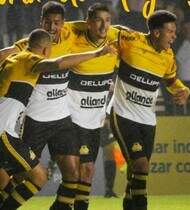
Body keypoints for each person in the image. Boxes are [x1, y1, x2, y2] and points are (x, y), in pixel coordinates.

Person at [0, 28, 115, 210]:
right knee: (39, 176)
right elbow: (58, 63)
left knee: (0, 180)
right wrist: (98, 52)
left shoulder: (12, 59)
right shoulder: (29, 59)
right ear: (46, 50)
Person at [109, 10, 190, 210]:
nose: (174, 36)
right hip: (123, 114)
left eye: (174, 31)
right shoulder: (130, 39)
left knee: (137, 173)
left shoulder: (167, 56)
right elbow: (100, 29)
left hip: (147, 120)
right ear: (156, 32)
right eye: (170, 31)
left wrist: (183, 89)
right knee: (141, 165)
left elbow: (171, 81)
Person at [66, 4, 119, 210]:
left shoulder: (115, 45)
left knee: (88, 169)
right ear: (88, 22)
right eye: (98, 20)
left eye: (107, 20)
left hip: (96, 120)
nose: (104, 25)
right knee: (77, 170)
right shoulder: (74, 42)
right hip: (72, 119)